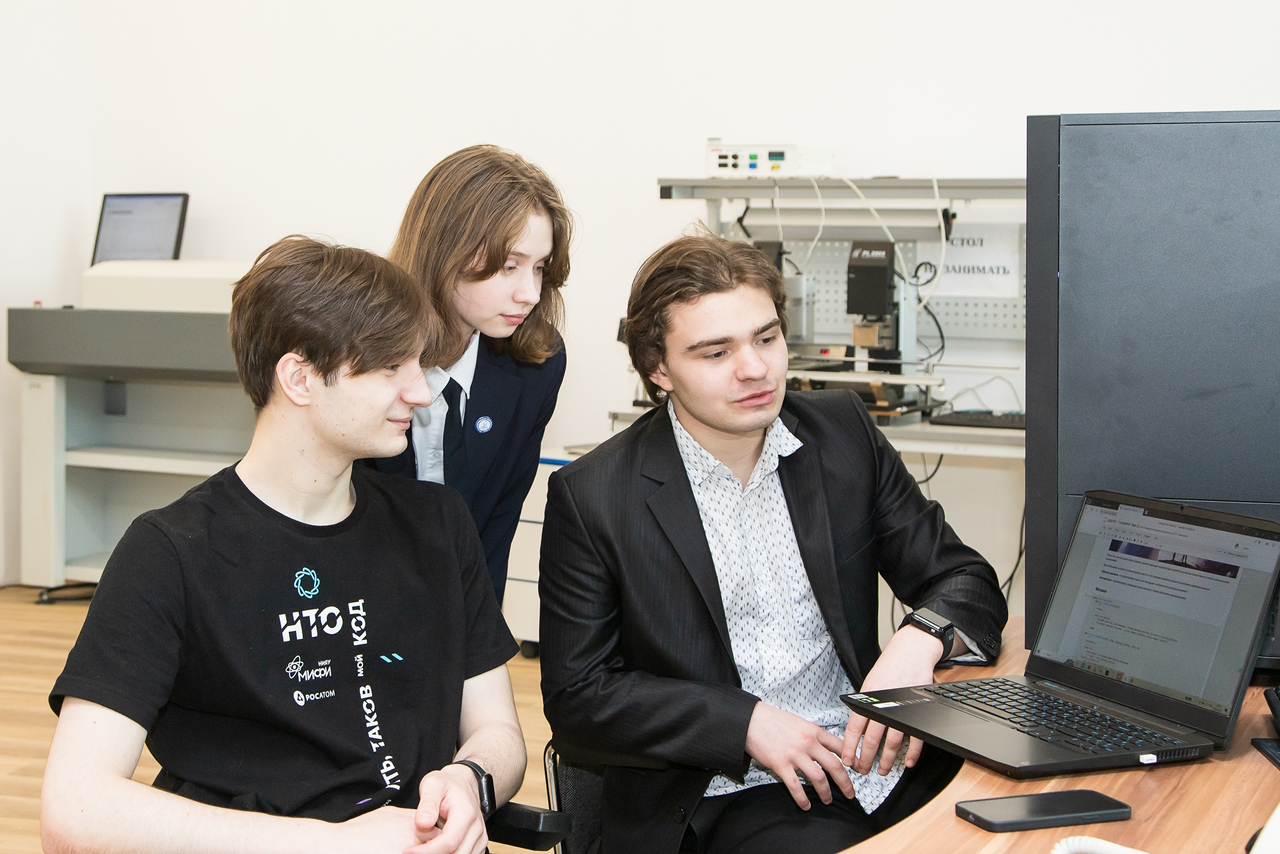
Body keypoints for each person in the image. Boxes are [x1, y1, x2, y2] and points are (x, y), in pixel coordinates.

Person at [41, 236, 525, 854]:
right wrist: (336, 845)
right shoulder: (170, 553)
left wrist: (469, 780)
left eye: (418, 365)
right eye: (390, 368)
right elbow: (74, 809)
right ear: (299, 378)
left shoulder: (438, 524)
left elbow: (498, 731)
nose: (422, 392)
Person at [539, 233, 1009, 854]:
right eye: (716, 352)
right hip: (729, 791)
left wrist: (918, 639)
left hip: (879, 756)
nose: (755, 369)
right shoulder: (595, 495)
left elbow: (965, 580)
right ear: (658, 369)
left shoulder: (842, 434)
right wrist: (745, 723)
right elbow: (578, 698)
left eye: (766, 338)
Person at [367, 145, 572, 606]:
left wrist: (478, 636)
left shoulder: (537, 366)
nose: (529, 293)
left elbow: (496, 529)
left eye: (539, 268)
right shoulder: (358, 355)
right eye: (509, 266)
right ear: (444, 251)